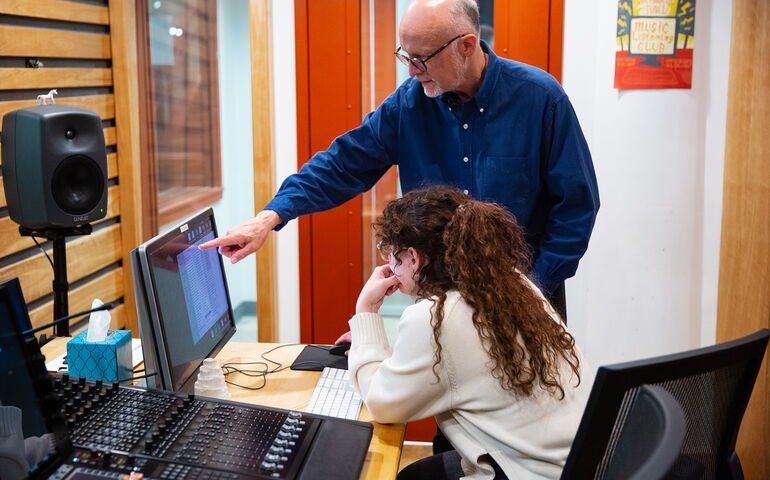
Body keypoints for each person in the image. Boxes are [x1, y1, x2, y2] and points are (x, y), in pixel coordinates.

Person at [199, 0, 599, 319]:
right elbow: (342, 164)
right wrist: (269, 217)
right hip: (442, 300)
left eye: (422, 58)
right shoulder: (408, 105)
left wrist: (533, 287)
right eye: (405, 56)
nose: (411, 71)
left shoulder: (539, 98)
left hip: (526, 299)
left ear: (466, 45)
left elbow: (576, 206)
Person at [347, 185, 591, 479]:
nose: (390, 266)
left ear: (414, 257)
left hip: (525, 471)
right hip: (571, 463)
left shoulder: (437, 317)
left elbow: (382, 404)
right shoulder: (513, 283)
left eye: (393, 256)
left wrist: (365, 310)